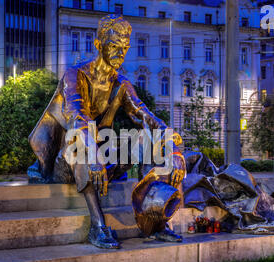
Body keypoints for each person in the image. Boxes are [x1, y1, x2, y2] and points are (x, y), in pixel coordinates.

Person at [28, 15, 185, 249]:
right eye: (114, 46)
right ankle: (98, 226)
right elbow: (77, 118)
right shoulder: (75, 75)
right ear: (98, 44)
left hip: (102, 156)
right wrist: (93, 155)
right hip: (65, 163)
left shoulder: (120, 83)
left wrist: (172, 149)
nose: (120, 54)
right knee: (79, 143)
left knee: (148, 139)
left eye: (124, 48)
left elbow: (146, 116)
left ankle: (155, 221)